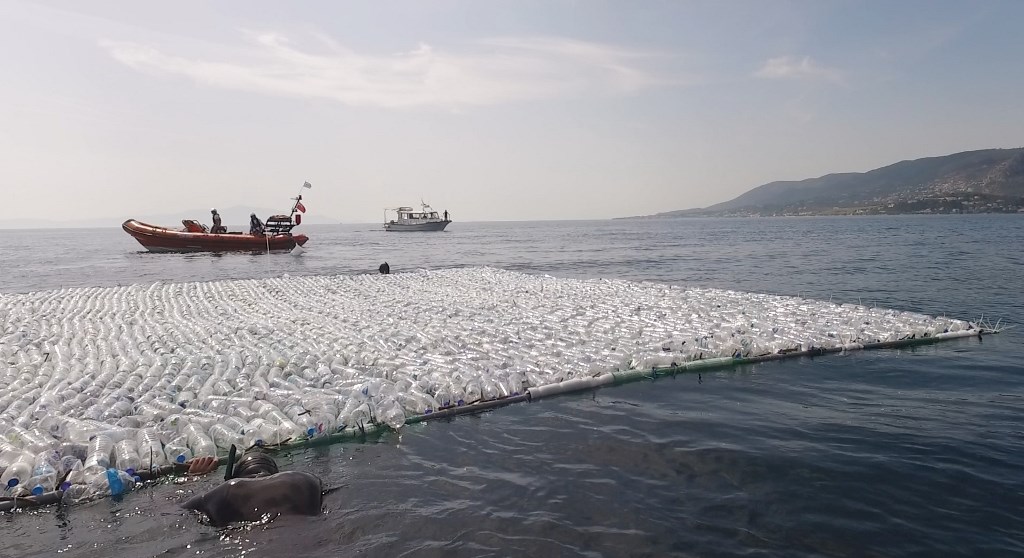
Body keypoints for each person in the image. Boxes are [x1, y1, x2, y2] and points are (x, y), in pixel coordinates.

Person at [181, 447, 324, 526]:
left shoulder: (227, 489)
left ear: (236, 475)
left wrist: (193, 478)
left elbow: (178, 509)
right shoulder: (303, 479)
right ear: (275, 473)